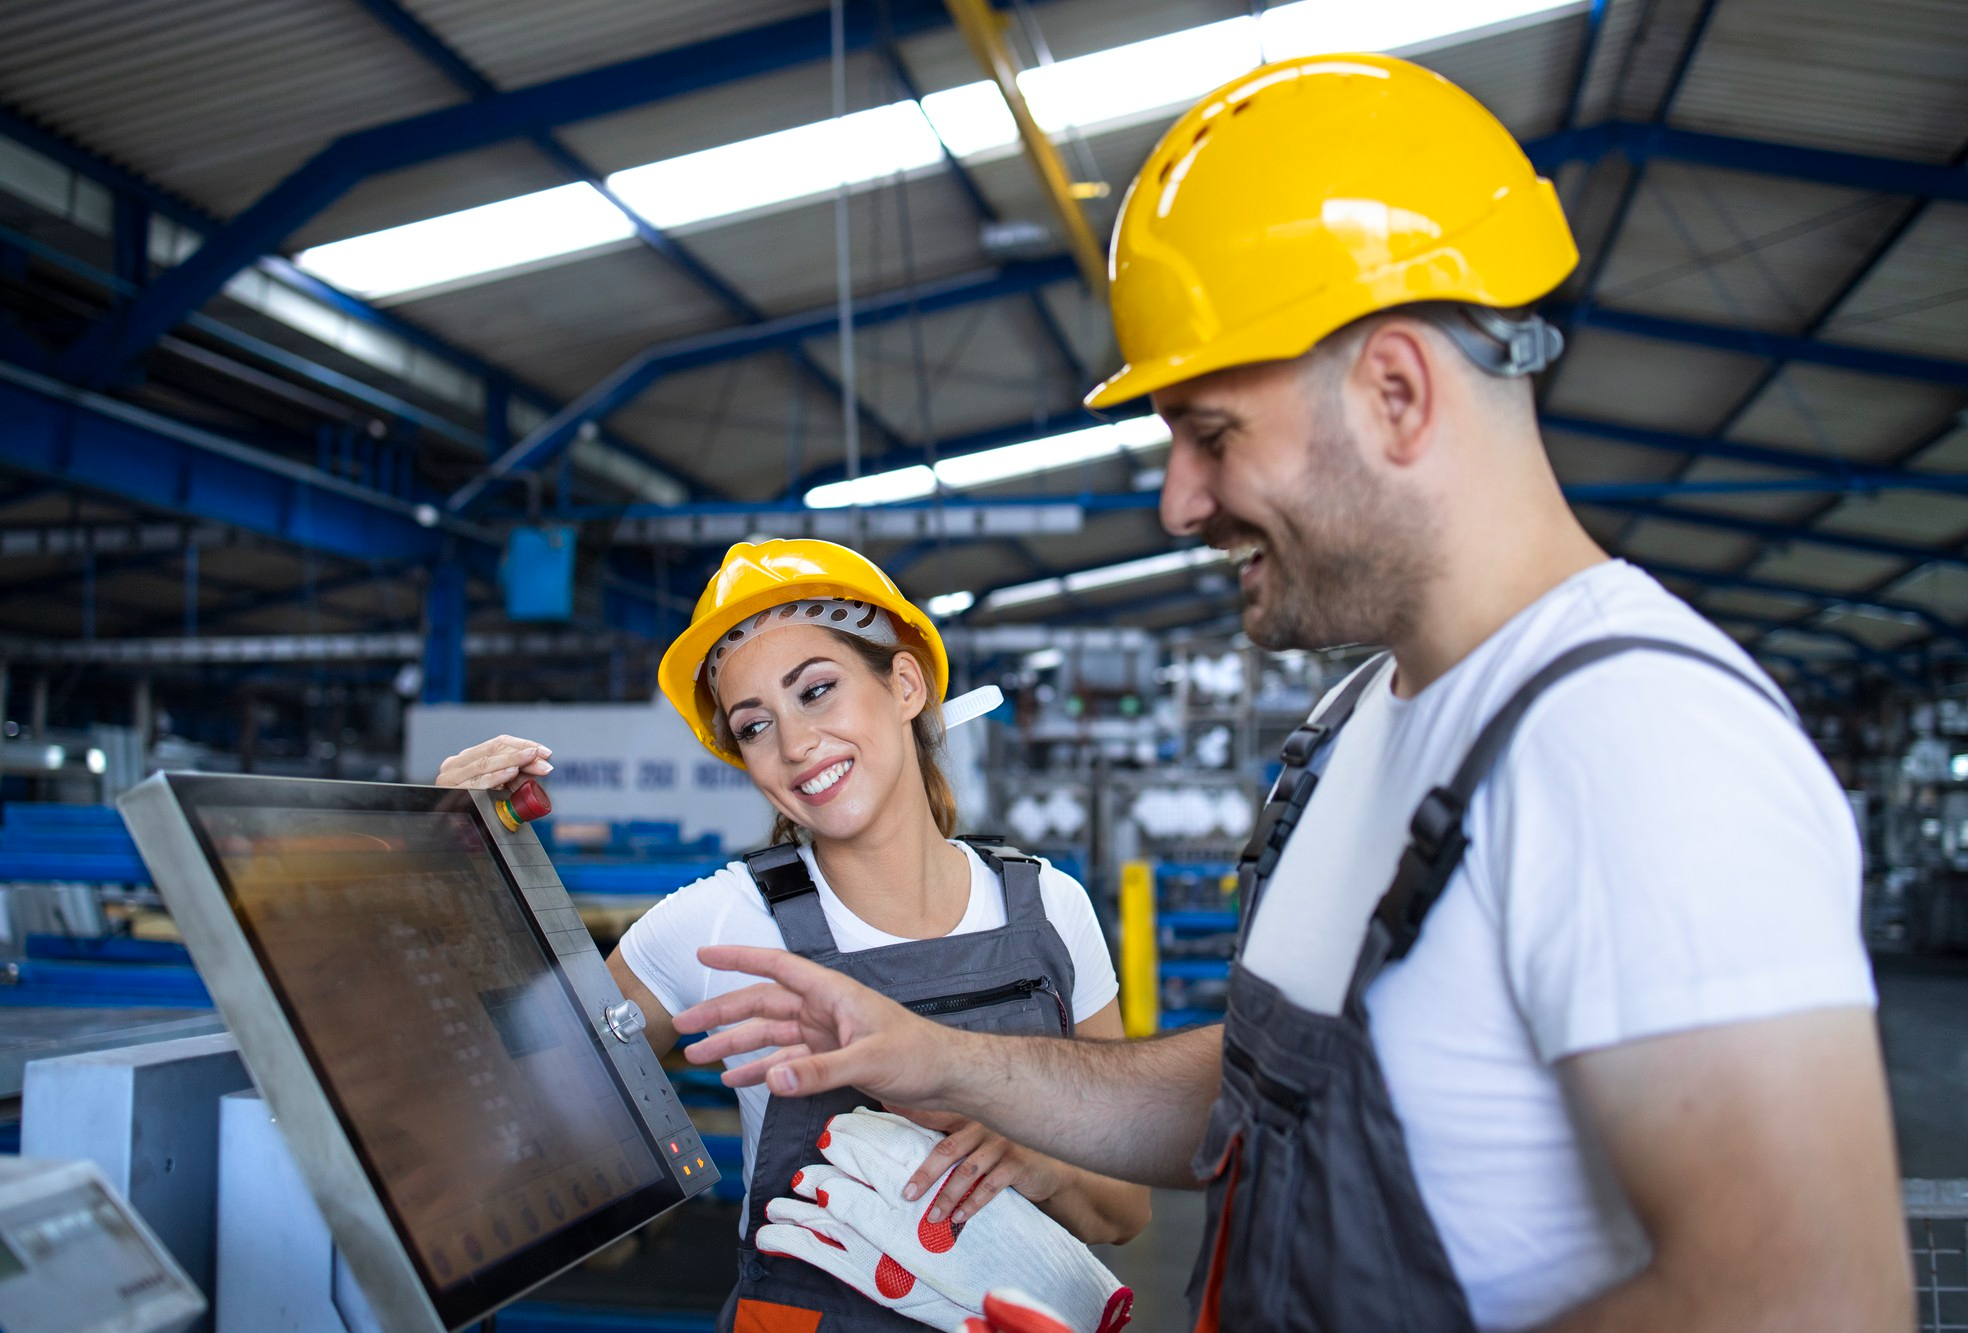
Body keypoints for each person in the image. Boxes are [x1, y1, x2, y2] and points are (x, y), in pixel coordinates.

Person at [665, 53, 1913, 1332]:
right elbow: (1259, 1087)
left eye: (1211, 434)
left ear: (1394, 391)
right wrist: (936, 1056)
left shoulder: (1636, 746)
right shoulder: (1357, 724)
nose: (1177, 502)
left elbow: (1805, 1300)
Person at [438, 539, 1148, 1332]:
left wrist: (1042, 1160)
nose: (795, 743)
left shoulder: (1052, 907)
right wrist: (456, 863)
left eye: (816, 690)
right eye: (754, 725)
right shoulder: (718, 923)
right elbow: (520, 1102)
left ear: (905, 682)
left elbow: (1123, 1208)